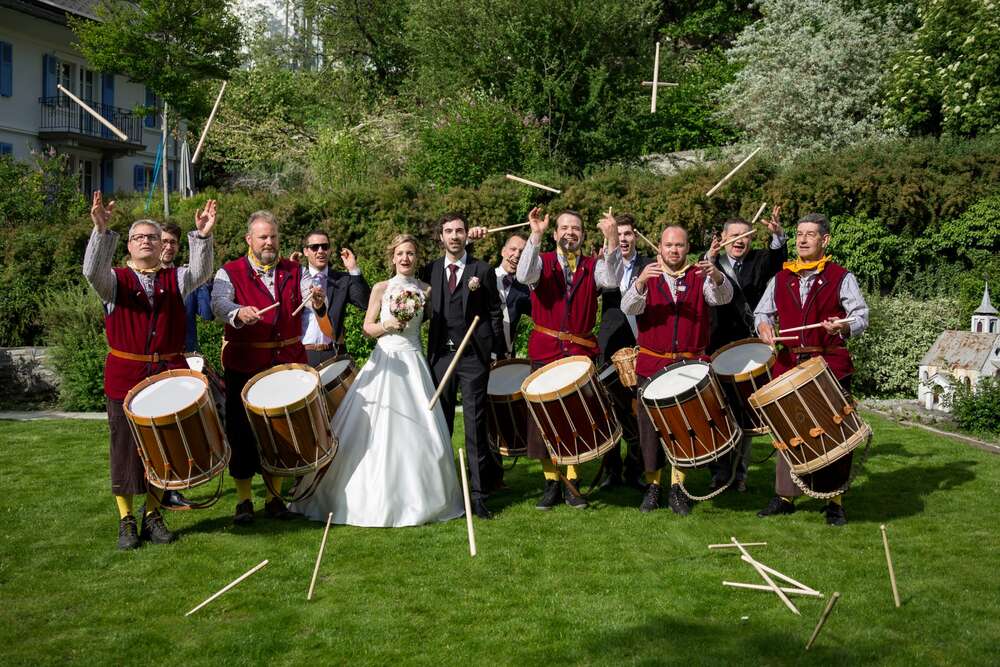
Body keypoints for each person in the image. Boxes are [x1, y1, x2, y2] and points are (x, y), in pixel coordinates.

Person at [292, 234, 464, 527]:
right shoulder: (381, 288)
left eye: (410, 253)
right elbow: (366, 327)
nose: (405, 258)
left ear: (416, 258)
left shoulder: (427, 290)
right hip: (385, 359)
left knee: (422, 428)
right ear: (392, 257)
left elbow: (436, 324)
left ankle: (424, 497)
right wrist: (385, 325)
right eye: (400, 253)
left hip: (413, 359)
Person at [83, 192, 215, 549]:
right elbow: (91, 271)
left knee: (164, 448)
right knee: (124, 449)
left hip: (166, 378)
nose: (146, 241)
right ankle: (126, 519)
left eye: (153, 238)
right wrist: (100, 230)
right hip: (125, 378)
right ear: (128, 245)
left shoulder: (176, 279)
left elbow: (202, 271)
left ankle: (153, 513)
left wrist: (201, 236)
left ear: (162, 246)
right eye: (139, 237)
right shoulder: (114, 281)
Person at [211, 210, 326, 526]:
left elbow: (309, 296)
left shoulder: (295, 270)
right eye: (263, 237)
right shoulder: (229, 272)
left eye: (273, 236)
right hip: (245, 365)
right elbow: (218, 304)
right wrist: (237, 312)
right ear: (249, 239)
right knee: (242, 432)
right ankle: (244, 500)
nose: (269, 242)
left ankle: (274, 498)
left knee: (280, 432)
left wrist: (316, 299)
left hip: (286, 364)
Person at [755, 212, 869, 526]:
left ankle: (835, 501)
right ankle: (784, 497)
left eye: (810, 234)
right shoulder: (781, 277)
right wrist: (764, 326)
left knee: (834, 432)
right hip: (789, 363)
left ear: (825, 240)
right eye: (800, 234)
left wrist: (842, 325)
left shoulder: (841, 276)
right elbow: (762, 311)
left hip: (828, 362)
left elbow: (860, 316)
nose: (803, 240)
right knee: (787, 432)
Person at [516, 207, 623, 510]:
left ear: (583, 234)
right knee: (543, 424)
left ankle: (573, 480)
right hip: (545, 350)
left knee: (575, 419)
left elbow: (613, 281)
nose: (570, 233)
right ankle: (552, 483)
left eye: (575, 228)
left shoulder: (594, 265)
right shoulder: (541, 262)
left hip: (579, 354)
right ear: (555, 234)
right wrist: (534, 235)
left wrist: (612, 241)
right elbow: (523, 274)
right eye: (564, 228)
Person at [621, 226, 732, 515]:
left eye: (680, 245)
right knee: (649, 431)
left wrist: (717, 276)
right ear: (659, 246)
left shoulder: (700, 275)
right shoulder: (646, 275)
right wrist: (641, 284)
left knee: (684, 428)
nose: (674, 250)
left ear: (687, 247)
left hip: (687, 366)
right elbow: (628, 307)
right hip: (652, 363)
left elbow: (722, 298)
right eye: (669, 245)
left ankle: (678, 488)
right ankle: (653, 486)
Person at [421, 213, 505, 518]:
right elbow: (400, 266)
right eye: (448, 231)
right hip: (441, 357)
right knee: (440, 424)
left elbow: (495, 310)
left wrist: (494, 351)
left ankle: (479, 494)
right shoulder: (429, 269)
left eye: (459, 231)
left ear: (467, 235)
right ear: (440, 236)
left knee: (474, 426)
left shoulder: (481, 269)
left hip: (473, 358)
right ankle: (443, 491)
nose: (454, 236)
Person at [704, 208, 788, 493]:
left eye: (746, 236)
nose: (740, 241)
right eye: (734, 236)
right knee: (718, 411)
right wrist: (711, 260)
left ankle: (739, 474)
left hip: (749, 349)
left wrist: (777, 235)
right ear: (723, 238)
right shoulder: (710, 263)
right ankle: (719, 472)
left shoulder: (760, 261)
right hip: (717, 346)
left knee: (744, 414)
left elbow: (779, 259)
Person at [596, 213, 651, 490]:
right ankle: (612, 471)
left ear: (636, 236)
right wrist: (609, 248)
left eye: (628, 233)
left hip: (643, 347)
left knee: (641, 412)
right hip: (611, 348)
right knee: (610, 412)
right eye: (619, 234)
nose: (624, 239)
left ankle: (636, 469)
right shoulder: (604, 265)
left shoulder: (650, 266)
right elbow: (599, 285)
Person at [299, 229, 371, 366]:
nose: (320, 251)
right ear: (306, 251)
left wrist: (353, 269)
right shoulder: (296, 279)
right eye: (314, 247)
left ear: (330, 250)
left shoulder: (342, 279)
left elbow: (365, 303)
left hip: (334, 352)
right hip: (302, 353)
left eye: (325, 247)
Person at [494, 233, 531, 359]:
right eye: (513, 249)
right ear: (503, 251)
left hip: (506, 358)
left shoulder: (525, 289)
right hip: (479, 356)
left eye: (522, 252)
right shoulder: (486, 277)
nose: (517, 255)